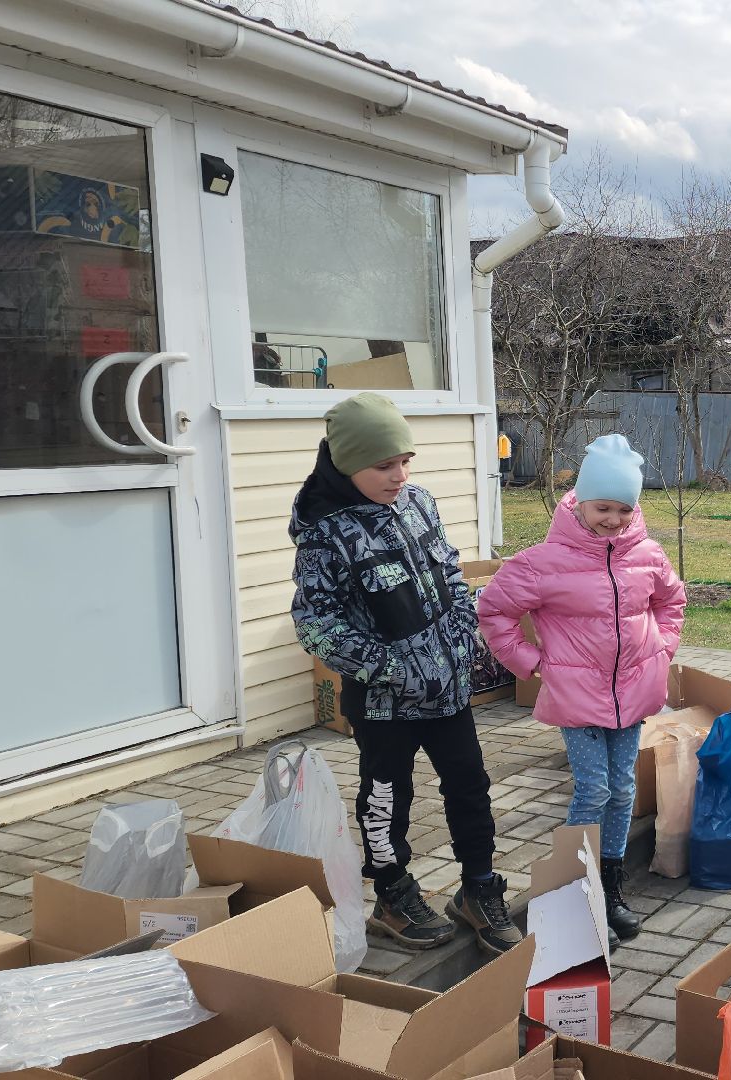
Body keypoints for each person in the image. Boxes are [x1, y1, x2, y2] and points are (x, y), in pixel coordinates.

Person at [290, 392, 522, 956]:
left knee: (470, 786)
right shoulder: (326, 533)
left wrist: (465, 638)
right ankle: (392, 894)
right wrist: (392, 667)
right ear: (347, 464)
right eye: (384, 465)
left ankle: (478, 889)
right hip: (383, 704)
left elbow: (449, 572)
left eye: (405, 460)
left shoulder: (419, 502)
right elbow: (314, 623)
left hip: (448, 690)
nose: (400, 474)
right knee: (385, 796)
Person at [478, 434, 687, 942]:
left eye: (623, 508)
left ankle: (610, 890)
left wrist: (659, 649)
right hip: (577, 699)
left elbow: (672, 601)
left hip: (633, 693)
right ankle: (574, 891)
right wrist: (530, 663)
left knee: (623, 790)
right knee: (593, 790)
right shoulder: (543, 561)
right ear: (581, 502)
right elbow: (493, 610)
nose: (612, 519)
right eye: (602, 507)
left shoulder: (648, 554)